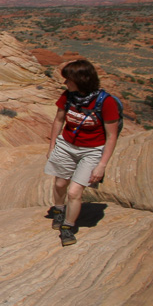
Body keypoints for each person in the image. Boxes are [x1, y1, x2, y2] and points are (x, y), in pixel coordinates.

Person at [44, 59, 119, 246]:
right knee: (60, 183)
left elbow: (111, 136)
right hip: (66, 145)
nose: (65, 83)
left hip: (92, 150)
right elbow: (58, 120)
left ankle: (68, 227)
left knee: (75, 192)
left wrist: (101, 165)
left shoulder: (106, 103)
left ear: (82, 80)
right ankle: (59, 211)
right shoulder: (68, 96)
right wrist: (52, 146)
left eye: (68, 80)